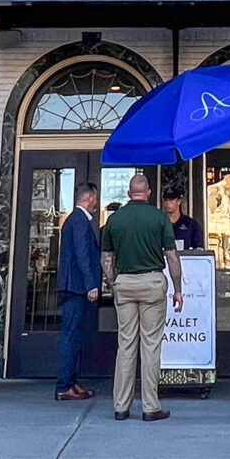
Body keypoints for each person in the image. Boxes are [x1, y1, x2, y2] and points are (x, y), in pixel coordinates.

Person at [99, 171, 183, 422]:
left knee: (125, 345)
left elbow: (106, 260)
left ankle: (121, 406)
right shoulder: (159, 217)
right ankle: (150, 406)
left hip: (124, 284)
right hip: (152, 284)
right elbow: (171, 256)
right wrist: (177, 288)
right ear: (147, 193)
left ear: (128, 193)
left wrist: (115, 283)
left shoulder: (115, 219)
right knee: (150, 346)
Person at [54, 182, 101, 400]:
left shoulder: (73, 220)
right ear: (89, 197)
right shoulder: (80, 221)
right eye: (95, 198)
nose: (96, 202)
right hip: (75, 287)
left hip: (72, 285)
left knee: (74, 335)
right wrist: (92, 283)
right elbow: (83, 254)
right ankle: (64, 386)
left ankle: (71, 382)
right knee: (71, 336)